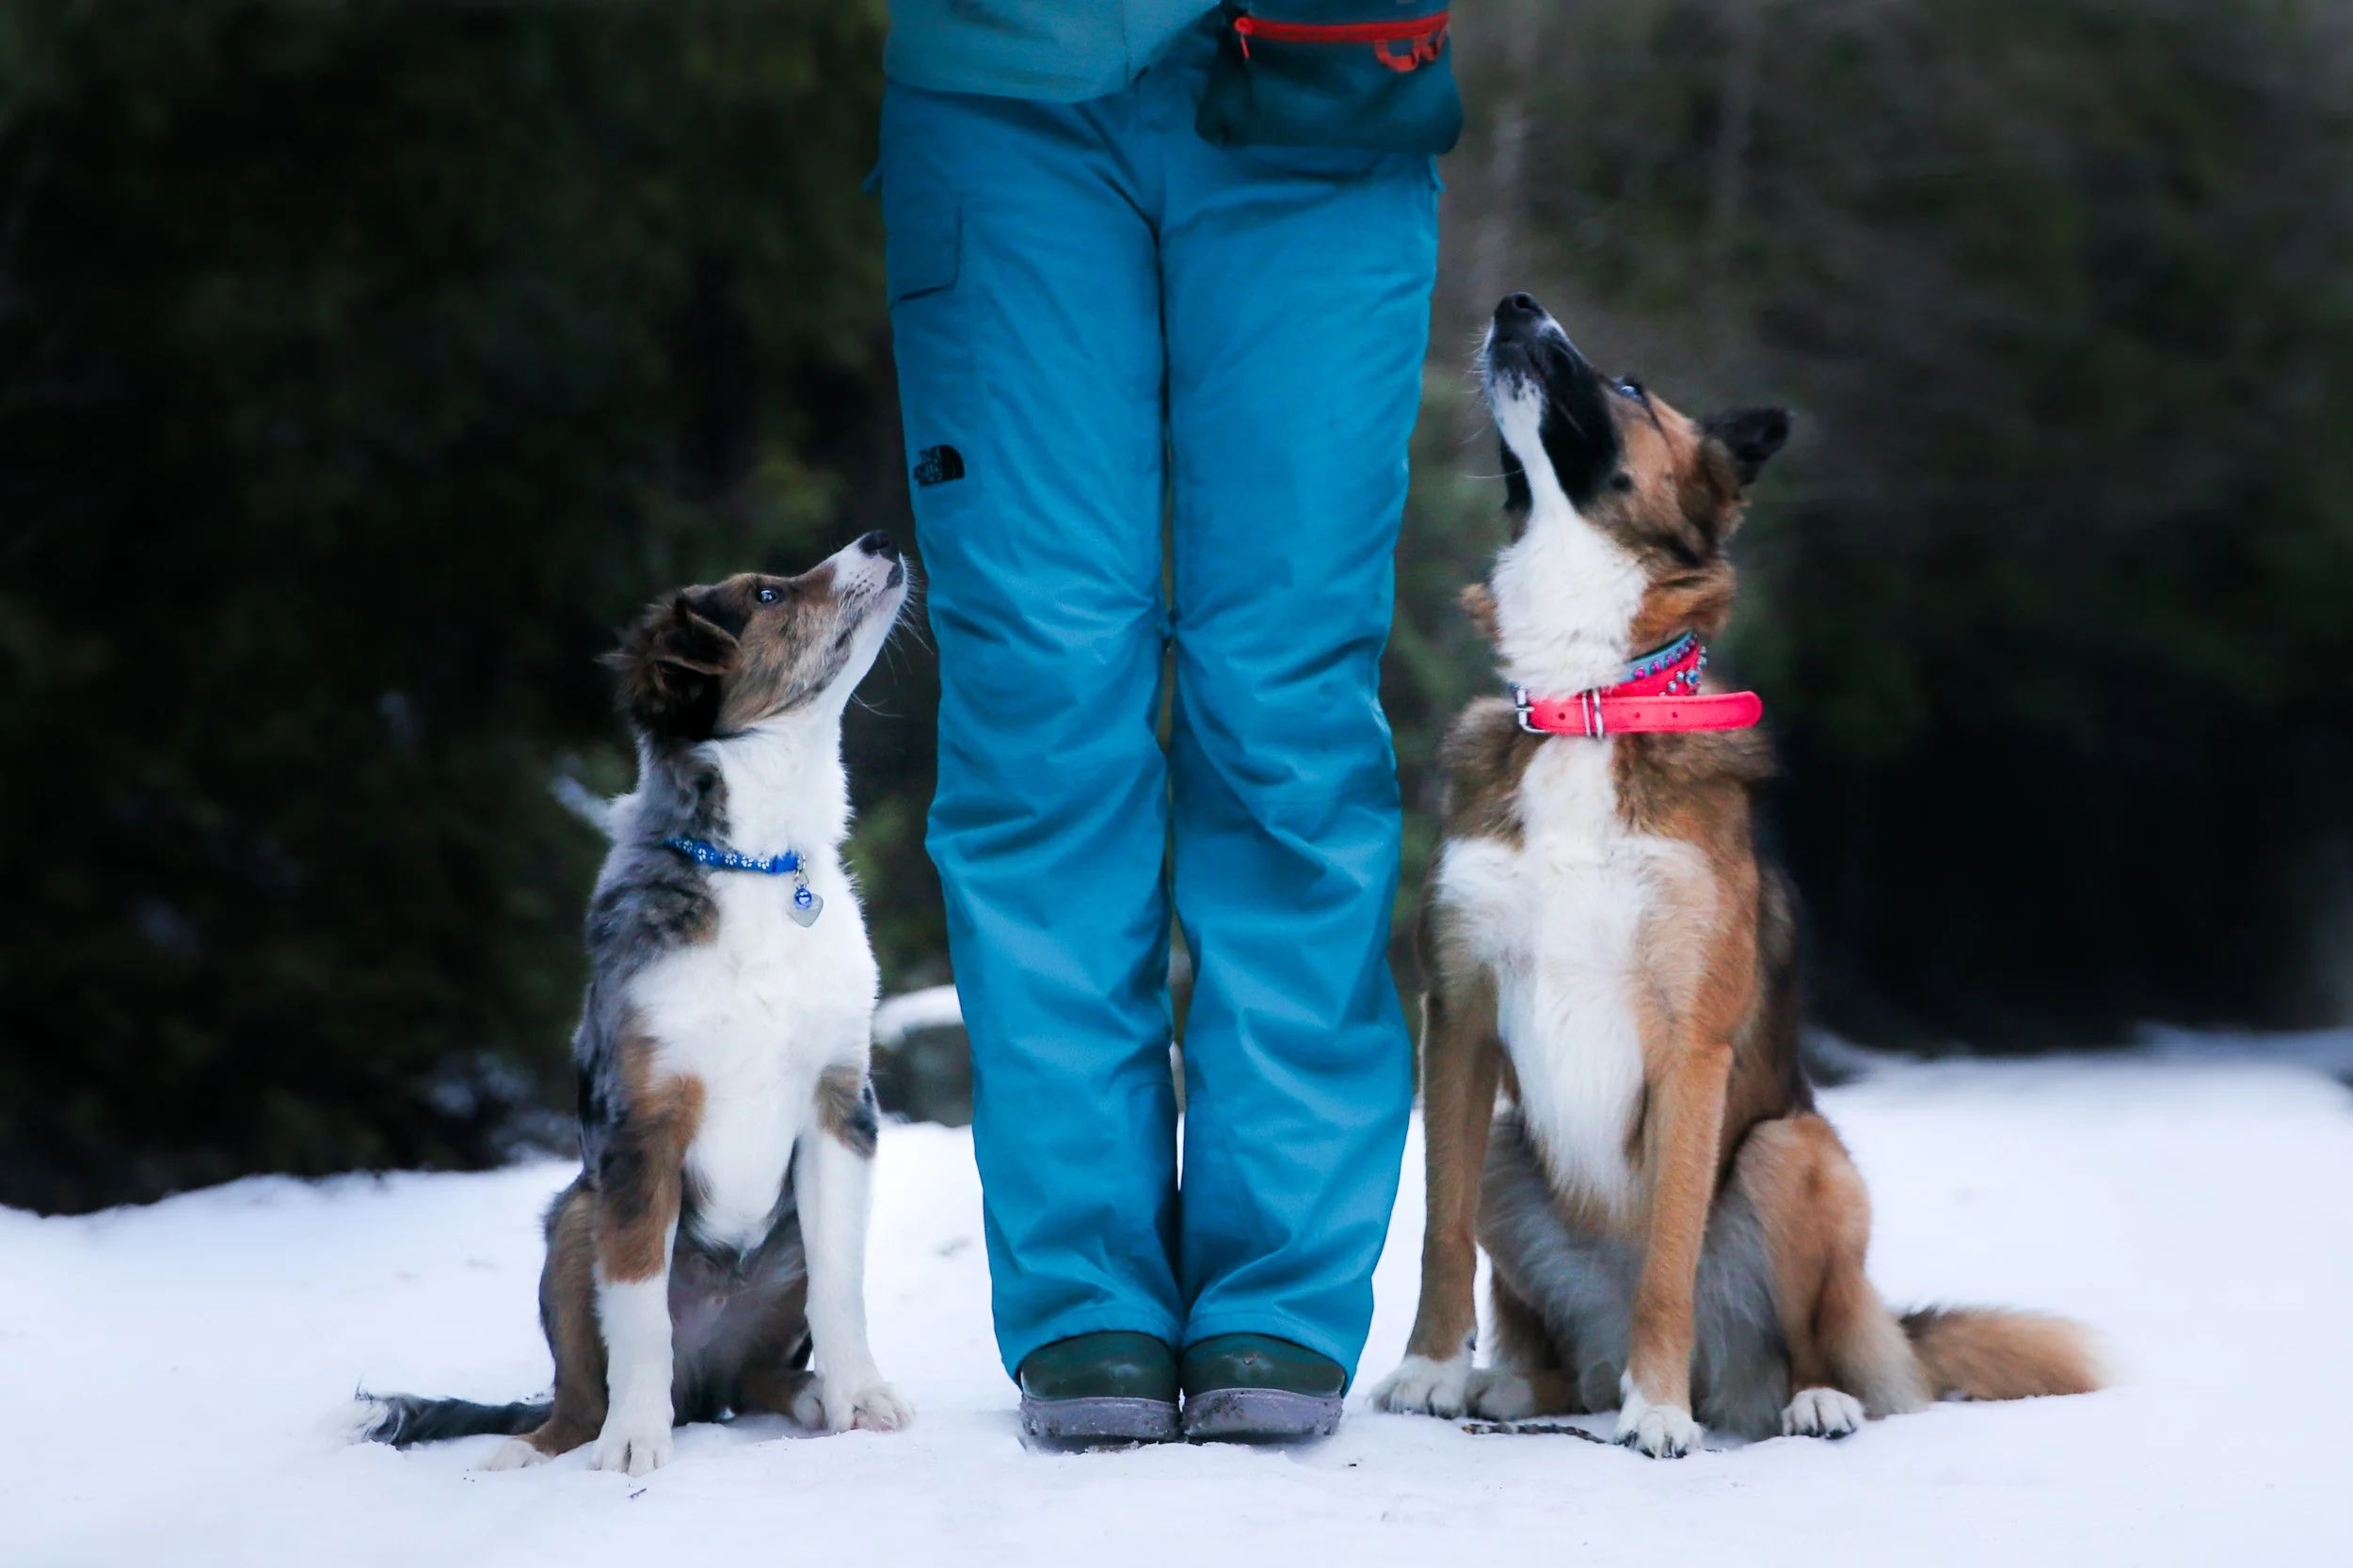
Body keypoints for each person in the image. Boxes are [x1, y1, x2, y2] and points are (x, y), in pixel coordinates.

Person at [874, 2, 1441, 1442]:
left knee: (1290, 686)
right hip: (1002, 93)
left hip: (1328, 85)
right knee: (1040, 691)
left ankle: (1282, 1283)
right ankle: (1087, 1291)